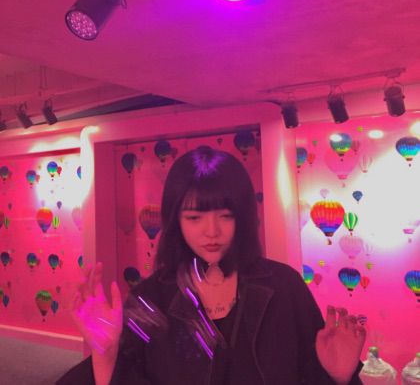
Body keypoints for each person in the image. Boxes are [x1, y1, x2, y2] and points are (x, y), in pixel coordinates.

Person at [58, 146, 366, 385]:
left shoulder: (284, 285)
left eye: (226, 216)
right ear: (175, 221)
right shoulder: (150, 299)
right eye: (194, 218)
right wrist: (105, 352)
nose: (212, 232)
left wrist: (339, 377)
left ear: (243, 217)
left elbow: (311, 374)